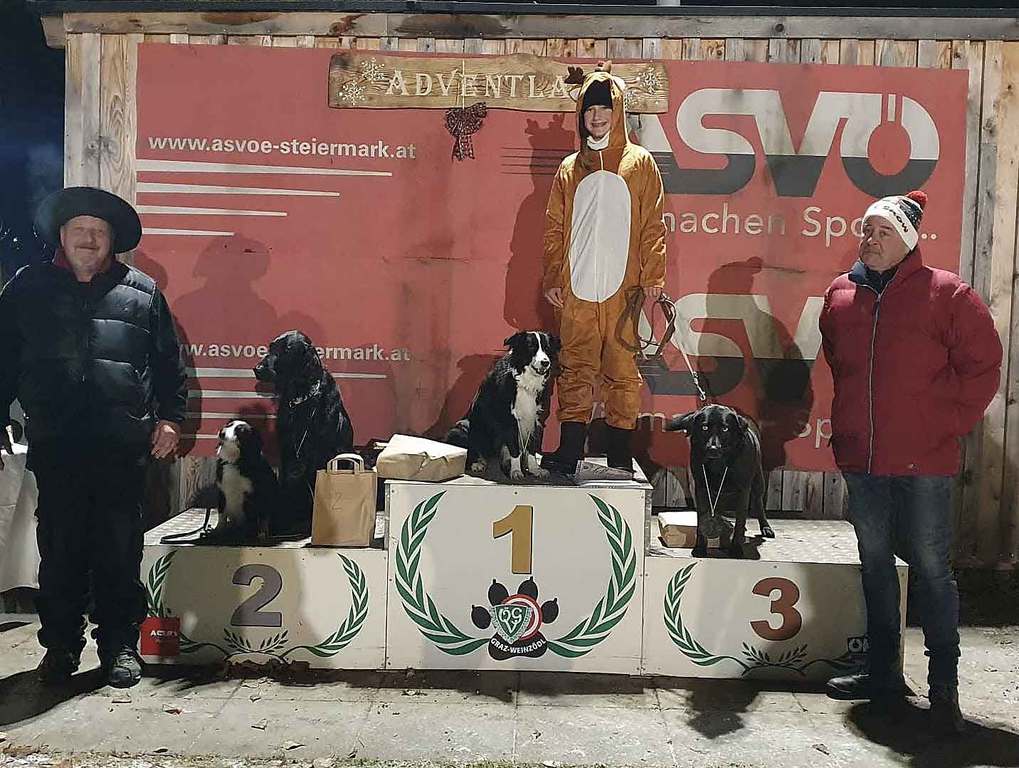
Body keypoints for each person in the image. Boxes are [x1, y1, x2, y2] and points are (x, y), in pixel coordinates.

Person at [818, 190, 1002, 733]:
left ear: (907, 240)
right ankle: (882, 675)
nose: (870, 240)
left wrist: (943, 424)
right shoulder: (840, 295)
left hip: (926, 462)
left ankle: (944, 689)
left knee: (931, 570)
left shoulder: (948, 294)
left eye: (883, 232)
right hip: (864, 461)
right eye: (866, 230)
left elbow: (984, 367)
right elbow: (839, 364)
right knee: (875, 566)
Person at [0, 186, 187, 688]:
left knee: (118, 552)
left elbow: (168, 365)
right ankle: (60, 648)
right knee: (59, 552)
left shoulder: (143, 292)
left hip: (121, 447)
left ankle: (120, 647)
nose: (89, 239)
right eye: (79, 229)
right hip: (57, 445)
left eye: (98, 231)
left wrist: (171, 419)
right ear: (61, 236)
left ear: (112, 240)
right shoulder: (27, 288)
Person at [540, 62, 667, 477]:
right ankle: (569, 451)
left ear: (617, 111)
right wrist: (553, 276)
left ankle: (619, 457)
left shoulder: (639, 163)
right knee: (575, 366)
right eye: (589, 110)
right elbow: (555, 227)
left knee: (621, 370)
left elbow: (653, 224)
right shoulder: (569, 168)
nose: (596, 117)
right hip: (577, 287)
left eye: (603, 109)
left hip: (623, 290)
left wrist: (653, 275)